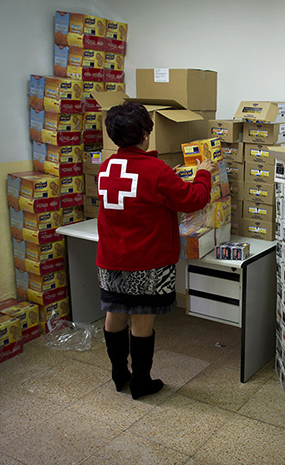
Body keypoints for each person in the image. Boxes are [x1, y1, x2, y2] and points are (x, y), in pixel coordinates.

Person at [97, 101, 212, 400]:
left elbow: (137, 194)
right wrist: (203, 173)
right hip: (147, 261)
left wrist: (167, 177)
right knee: (142, 319)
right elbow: (193, 199)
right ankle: (141, 382)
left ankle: (119, 373)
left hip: (111, 258)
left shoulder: (106, 167)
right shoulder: (156, 171)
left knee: (115, 313)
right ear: (145, 134)